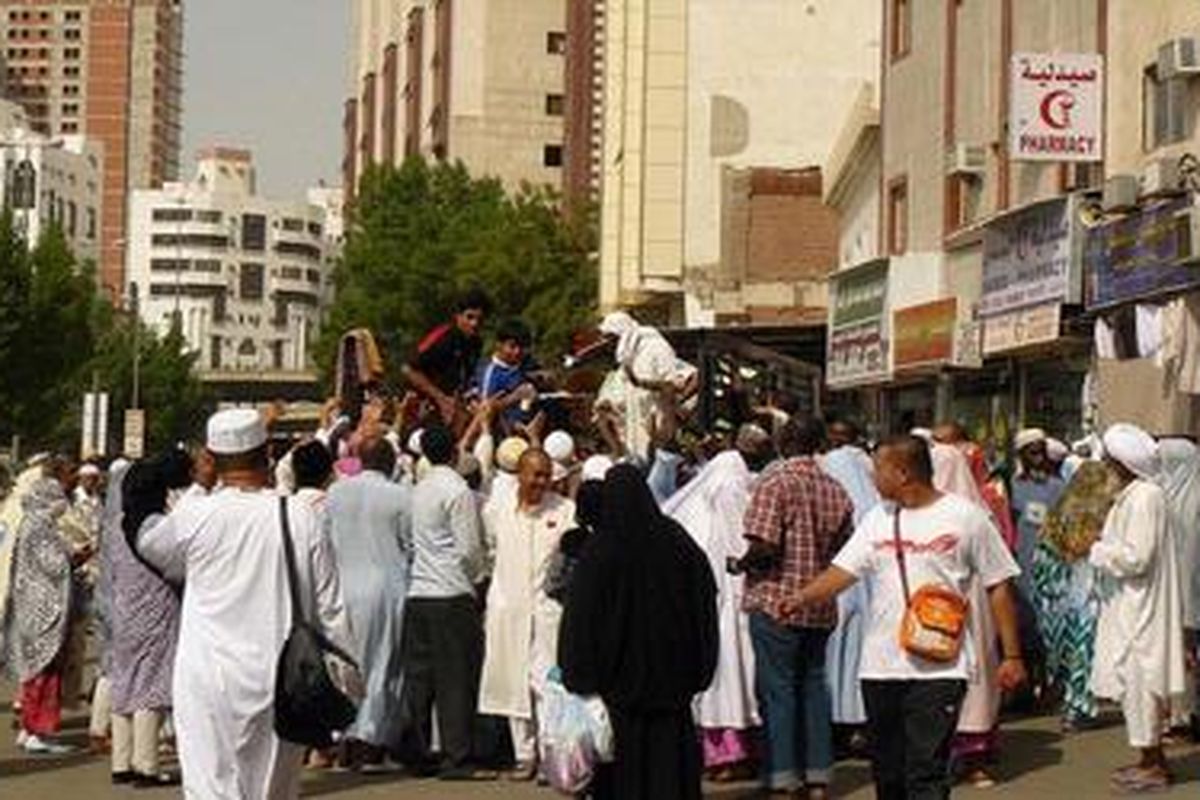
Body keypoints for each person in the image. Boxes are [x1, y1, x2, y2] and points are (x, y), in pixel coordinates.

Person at [787, 435, 1026, 800]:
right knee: (888, 774)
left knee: (925, 772)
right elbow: (844, 571)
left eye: (877, 469)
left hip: (940, 668)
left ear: (901, 473)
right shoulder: (877, 519)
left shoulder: (966, 517)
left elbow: (999, 585)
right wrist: (802, 598)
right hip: (880, 667)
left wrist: (1011, 656)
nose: (871, 478)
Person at [133, 409, 355, 799]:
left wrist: (185, 485)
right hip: (282, 677)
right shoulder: (300, 515)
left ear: (213, 460)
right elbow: (332, 608)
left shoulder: (195, 515)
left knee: (209, 788)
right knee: (272, 790)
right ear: (268, 452)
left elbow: (150, 544)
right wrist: (349, 681)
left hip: (208, 679)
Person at [559, 465, 719, 800]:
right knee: (669, 773)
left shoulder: (600, 551)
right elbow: (704, 606)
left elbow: (581, 621)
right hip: (672, 690)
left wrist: (579, 675)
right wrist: (700, 668)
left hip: (619, 694)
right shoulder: (678, 543)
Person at [740, 417, 853, 799]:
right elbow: (844, 551)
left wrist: (742, 563)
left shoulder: (774, 482)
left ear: (782, 443)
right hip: (819, 604)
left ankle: (783, 778)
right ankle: (818, 776)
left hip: (776, 601)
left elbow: (765, 546)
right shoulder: (835, 489)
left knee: (778, 692)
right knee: (814, 687)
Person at [663, 424, 774, 782]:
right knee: (733, 674)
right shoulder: (731, 488)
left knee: (730, 676)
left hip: (726, 600)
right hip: (732, 596)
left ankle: (729, 753)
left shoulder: (704, 500)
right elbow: (741, 544)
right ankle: (734, 752)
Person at [1089, 423, 1188, 793]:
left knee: (1142, 685)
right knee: (1134, 687)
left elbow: (1137, 558)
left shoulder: (1146, 496)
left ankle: (1156, 766)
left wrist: (1097, 551)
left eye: (1108, 460)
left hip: (1140, 610)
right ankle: (1148, 760)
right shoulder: (1132, 495)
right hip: (1129, 605)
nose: (1104, 466)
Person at [479, 448, 575, 779]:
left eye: (546, 475)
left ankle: (551, 755)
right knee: (512, 684)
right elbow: (488, 550)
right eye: (535, 474)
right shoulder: (498, 510)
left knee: (547, 686)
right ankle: (524, 754)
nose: (542, 482)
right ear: (520, 475)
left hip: (547, 613)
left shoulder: (565, 511)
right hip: (508, 610)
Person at [402, 424, 490, 779]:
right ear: (454, 452)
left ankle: (418, 752)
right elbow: (469, 548)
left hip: (419, 590)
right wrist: (478, 578)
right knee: (455, 677)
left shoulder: (417, 489)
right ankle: (457, 756)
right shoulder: (457, 490)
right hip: (451, 592)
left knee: (420, 678)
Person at [325, 435, 411, 769]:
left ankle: (346, 737)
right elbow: (409, 543)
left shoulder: (336, 492)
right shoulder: (400, 496)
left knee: (348, 667)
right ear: (390, 463)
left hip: (344, 587)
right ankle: (369, 741)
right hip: (385, 588)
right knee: (382, 666)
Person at [111, 450, 192, 786]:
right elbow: (176, 566)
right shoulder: (155, 525)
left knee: (126, 682)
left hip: (124, 609)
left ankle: (121, 760)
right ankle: (147, 763)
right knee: (153, 685)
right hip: (156, 611)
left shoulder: (118, 523)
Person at [931, 443, 1005, 787]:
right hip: (940, 610)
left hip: (970, 608)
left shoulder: (973, 516)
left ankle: (973, 756)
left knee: (974, 679)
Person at [3, 472, 88, 754]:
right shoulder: (40, 530)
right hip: (44, 615)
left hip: (31, 611)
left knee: (33, 674)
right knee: (45, 673)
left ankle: (29, 728)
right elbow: (55, 566)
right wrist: (76, 556)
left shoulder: (31, 525)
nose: (60, 505)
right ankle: (39, 729)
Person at [1034, 459, 1115, 732]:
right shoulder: (1105, 512)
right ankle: (1078, 706)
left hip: (1060, 594)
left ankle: (1070, 704)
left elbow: (1042, 556)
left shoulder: (1060, 509)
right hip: (1089, 590)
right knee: (1085, 649)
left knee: (1068, 650)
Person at [818, 427, 882, 751]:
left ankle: (838, 727)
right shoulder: (875, 508)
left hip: (834, 584)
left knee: (835, 657)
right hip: (866, 589)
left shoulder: (827, 482)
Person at [403, 288, 493, 428]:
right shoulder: (443, 337)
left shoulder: (476, 343)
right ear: (458, 316)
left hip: (451, 408)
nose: (474, 324)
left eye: (479, 319)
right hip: (423, 406)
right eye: (469, 317)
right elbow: (408, 369)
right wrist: (440, 398)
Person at [476, 317, 537, 433]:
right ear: (499, 345)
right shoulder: (491, 373)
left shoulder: (526, 363)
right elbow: (484, 411)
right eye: (512, 347)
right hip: (505, 430)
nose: (517, 352)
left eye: (521, 347)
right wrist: (514, 397)